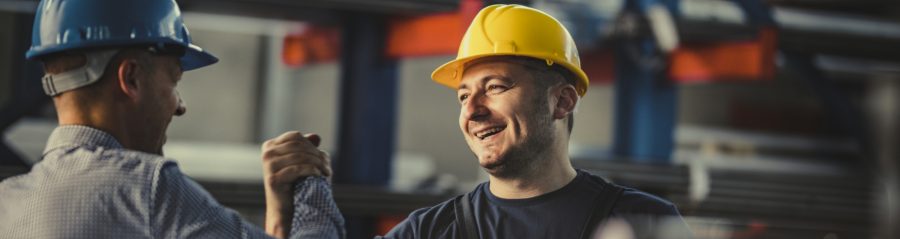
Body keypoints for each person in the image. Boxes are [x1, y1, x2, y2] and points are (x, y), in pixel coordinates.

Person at [0, 0, 343, 238]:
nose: (180, 106)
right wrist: (309, 182)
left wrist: (280, 215)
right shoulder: (147, 189)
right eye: (174, 82)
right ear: (131, 78)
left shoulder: (7, 203)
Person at [379, 4, 693, 239]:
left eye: (495, 87)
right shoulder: (426, 232)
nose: (472, 110)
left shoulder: (643, 222)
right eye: (463, 96)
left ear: (563, 101)